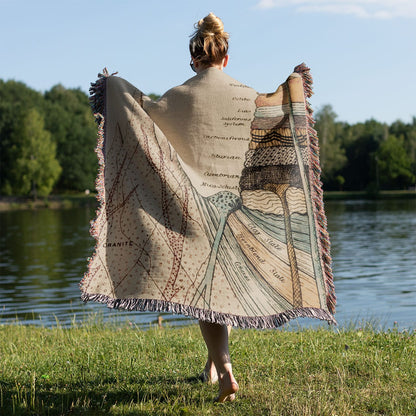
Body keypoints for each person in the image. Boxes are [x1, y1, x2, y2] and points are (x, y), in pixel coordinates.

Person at [144, 12, 241, 403]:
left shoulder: (175, 97)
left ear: (193, 59)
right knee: (224, 294)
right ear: (225, 58)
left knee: (206, 296)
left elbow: (142, 125)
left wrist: (117, 92)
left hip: (195, 211)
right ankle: (213, 366)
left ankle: (225, 372)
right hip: (236, 211)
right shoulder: (245, 95)